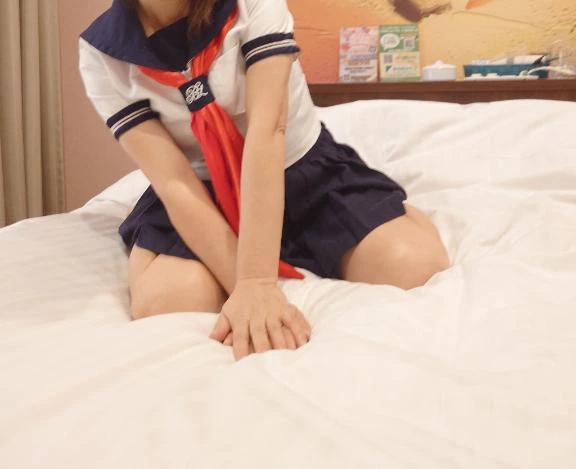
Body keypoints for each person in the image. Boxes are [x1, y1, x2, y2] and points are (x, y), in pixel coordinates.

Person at [79, 0, 449, 360]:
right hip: (203, 192)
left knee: (412, 263)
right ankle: (150, 252)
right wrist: (246, 289)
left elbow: (268, 130)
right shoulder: (102, 52)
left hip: (300, 172)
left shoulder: (250, 5)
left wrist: (257, 280)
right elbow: (174, 182)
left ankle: (387, 215)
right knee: (170, 303)